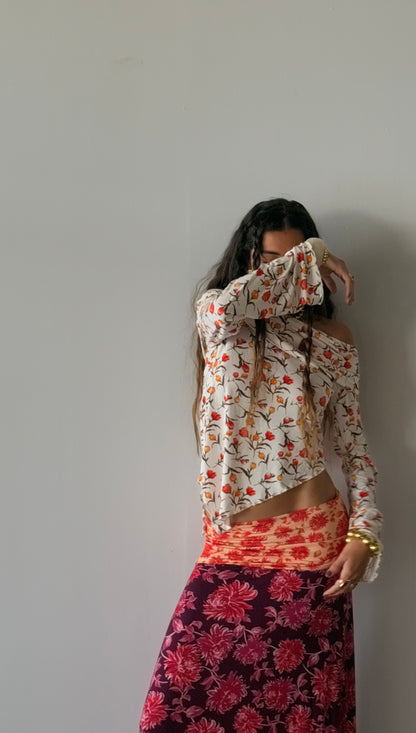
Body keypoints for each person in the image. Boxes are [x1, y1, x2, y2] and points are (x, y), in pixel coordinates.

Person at [138, 198, 384, 733]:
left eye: (301, 258)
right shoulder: (218, 316)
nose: (291, 271)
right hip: (230, 545)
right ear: (250, 261)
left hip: (314, 545)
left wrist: (364, 534)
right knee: (174, 708)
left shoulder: (333, 341)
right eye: (275, 261)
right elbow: (231, 306)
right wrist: (311, 255)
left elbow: (355, 449)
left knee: (299, 715)